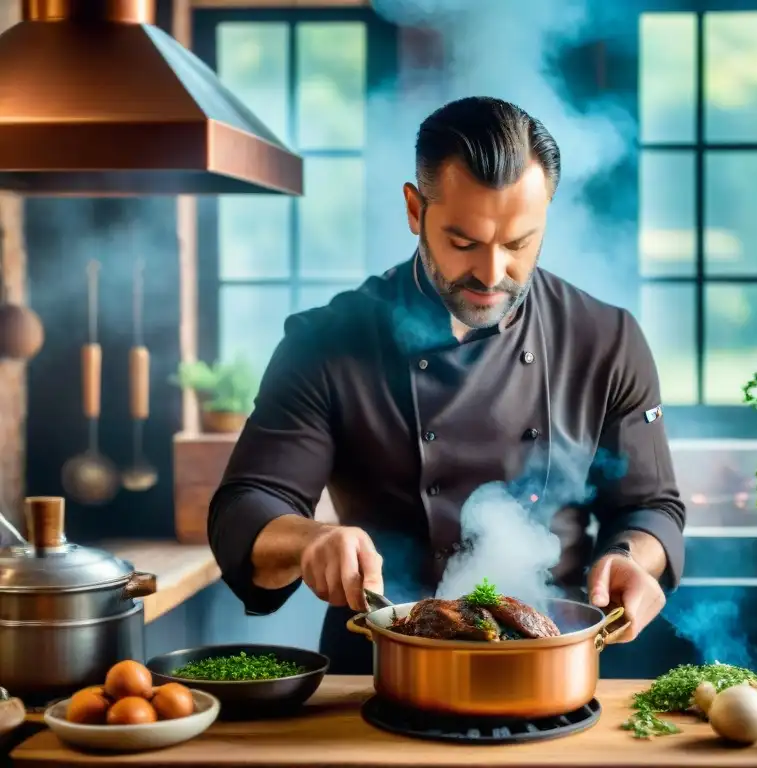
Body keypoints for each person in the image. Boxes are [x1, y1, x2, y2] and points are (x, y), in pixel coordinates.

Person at [208, 96, 686, 674]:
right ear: (415, 210)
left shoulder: (606, 339)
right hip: (380, 671)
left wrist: (632, 557)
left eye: (518, 244)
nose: (491, 274)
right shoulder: (329, 342)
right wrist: (311, 539)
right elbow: (246, 506)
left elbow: (650, 505)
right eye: (464, 242)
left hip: (556, 664)